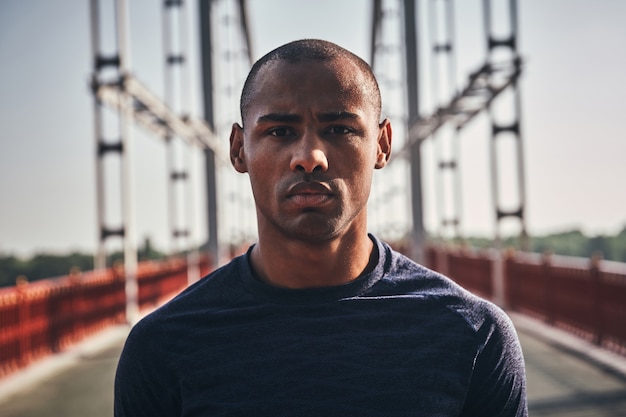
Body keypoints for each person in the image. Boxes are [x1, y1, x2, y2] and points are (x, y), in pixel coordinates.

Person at [114, 39, 528, 416]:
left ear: (382, 145)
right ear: (239, 150)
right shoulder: (162, 346)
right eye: (279, 131)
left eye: (340, 129)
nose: (310, 157)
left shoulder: (474, 335)